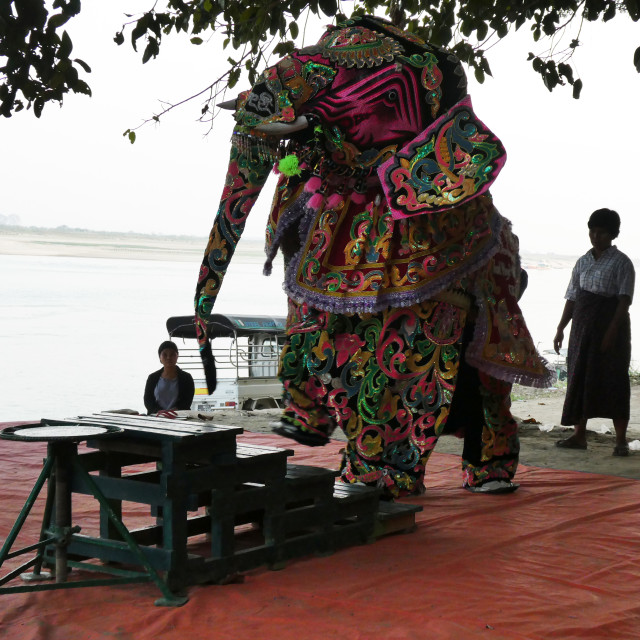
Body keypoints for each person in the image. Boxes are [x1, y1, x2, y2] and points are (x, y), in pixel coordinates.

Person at [553, 208, 635, 456]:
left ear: (613, 234)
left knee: (613, 379)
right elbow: (572, 298)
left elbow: (624, 301)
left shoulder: (623, 263)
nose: (596, 236)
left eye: (601, 232)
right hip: (581, 327)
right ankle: (579, 436)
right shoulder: (582, 262)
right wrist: (560, 328)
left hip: (611, 328)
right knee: (579, 377)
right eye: (593, 231)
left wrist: (611, 332)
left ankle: (620, 441)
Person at [144, 341, 195, 415]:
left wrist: (174, 412)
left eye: (172, 354)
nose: (168, 357)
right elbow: (148, 400)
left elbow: (187, 401)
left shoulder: (187, 378)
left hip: (179, 418)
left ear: (177, 356)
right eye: (164, 354)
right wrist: (159, 412)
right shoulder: (152, 378)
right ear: (160, 357)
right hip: (157, 417)